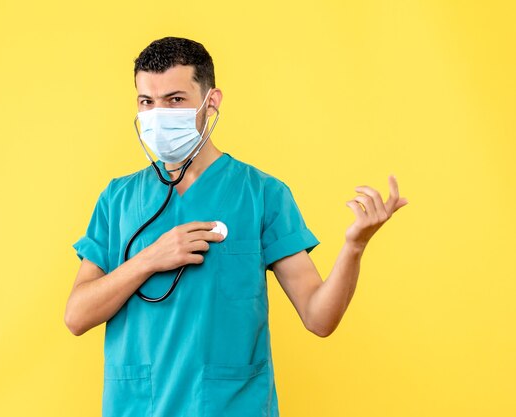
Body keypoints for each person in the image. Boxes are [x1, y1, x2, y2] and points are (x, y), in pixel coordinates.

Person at [64, 36, 408, 417]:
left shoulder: (262, 194)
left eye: (175, 100)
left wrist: (355, 246)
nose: (158, 115)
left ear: (211, 101)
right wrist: (149, 259)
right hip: (138, 408)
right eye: (147, 102)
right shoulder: (118, 198)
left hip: (230, 407)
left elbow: (319, 317)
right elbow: (77, 316)